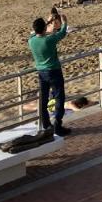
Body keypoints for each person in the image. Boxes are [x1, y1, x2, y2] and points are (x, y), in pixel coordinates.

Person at [28, 8, 71, 136]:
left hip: (41, 72)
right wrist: (64, 22)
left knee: (43, 99)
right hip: (54, 71)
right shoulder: (49, 40)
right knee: (59, 97)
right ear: (44, 28)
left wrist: (47, 23)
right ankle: (57, 123)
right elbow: (62, 33)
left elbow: (35, 34)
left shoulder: (31, 41)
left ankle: (46, 124)